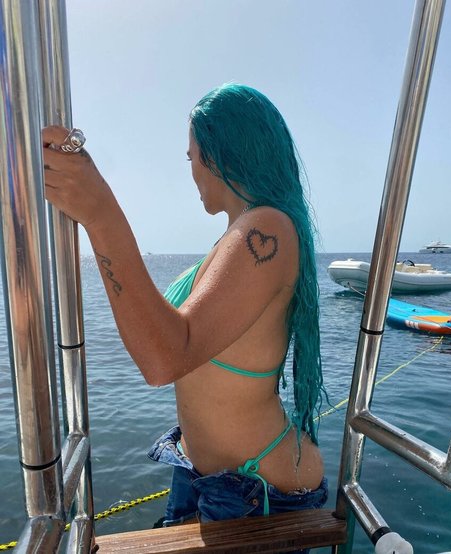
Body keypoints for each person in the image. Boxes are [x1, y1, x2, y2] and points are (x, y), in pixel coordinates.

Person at [42, 83, 327, 550]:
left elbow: (164, 357)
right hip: (207, 477)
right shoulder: (240, 235)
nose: (190, 169)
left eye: (191, 156)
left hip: (255, 492)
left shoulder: (267, 228)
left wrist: (100, 212)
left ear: (217, 154)